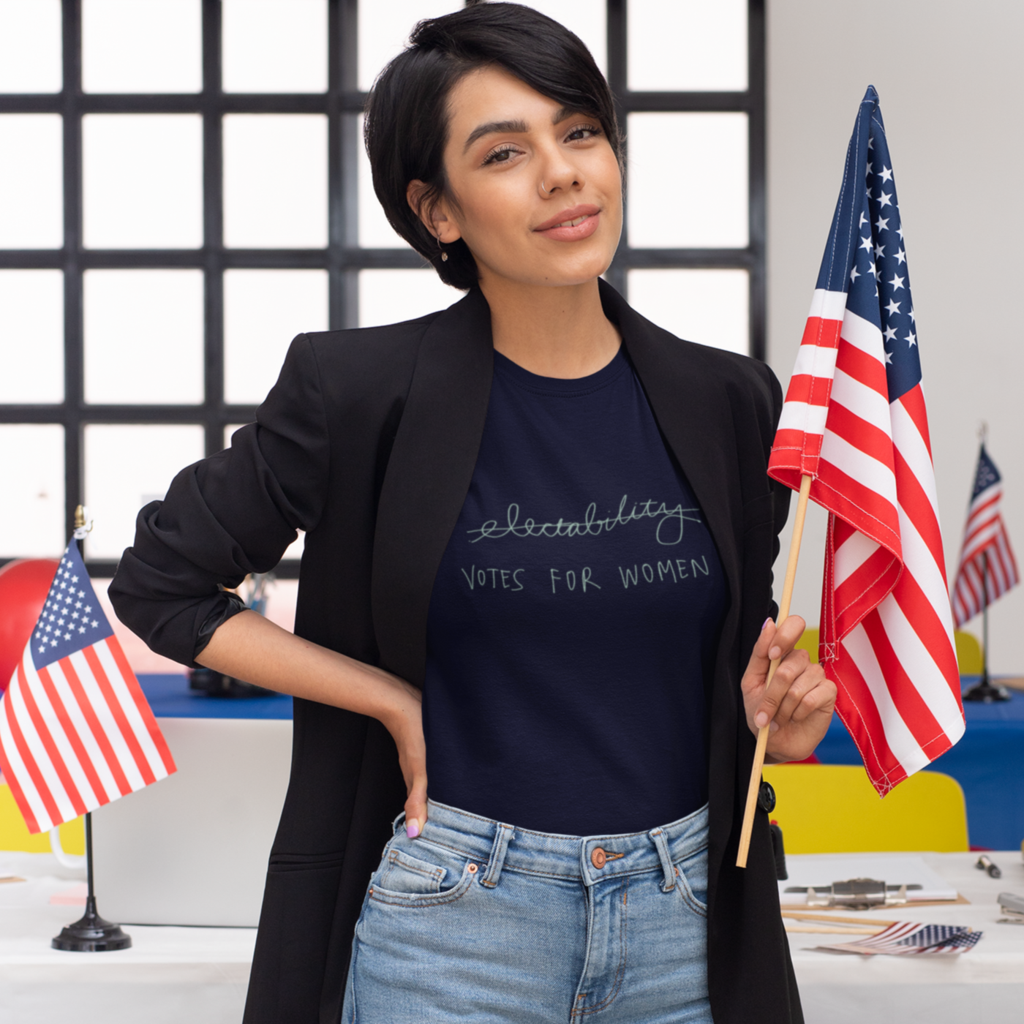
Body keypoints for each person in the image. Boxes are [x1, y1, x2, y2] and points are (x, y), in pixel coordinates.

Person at [110, 5, 835, 1023]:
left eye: (579, 132)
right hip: (453, 929)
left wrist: (778, 723)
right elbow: (161, 586)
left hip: (687, 921)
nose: (562, 173)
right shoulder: (354, 391)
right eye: (504, 152)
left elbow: (728, 666)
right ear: (438, 212)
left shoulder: (731, 399)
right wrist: (385, 697)